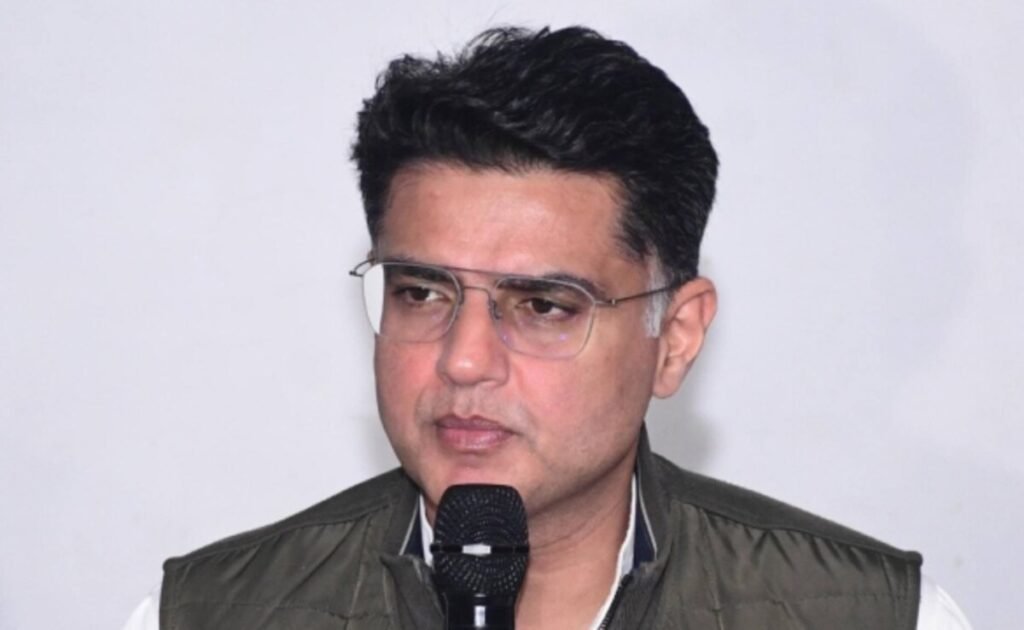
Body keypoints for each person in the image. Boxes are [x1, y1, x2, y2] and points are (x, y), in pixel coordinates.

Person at [124, 25, 972, 629]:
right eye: (422, 293)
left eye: (542, 306)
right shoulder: (207, 615)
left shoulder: (876, 618)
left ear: (675, 338)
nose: (464, 362)